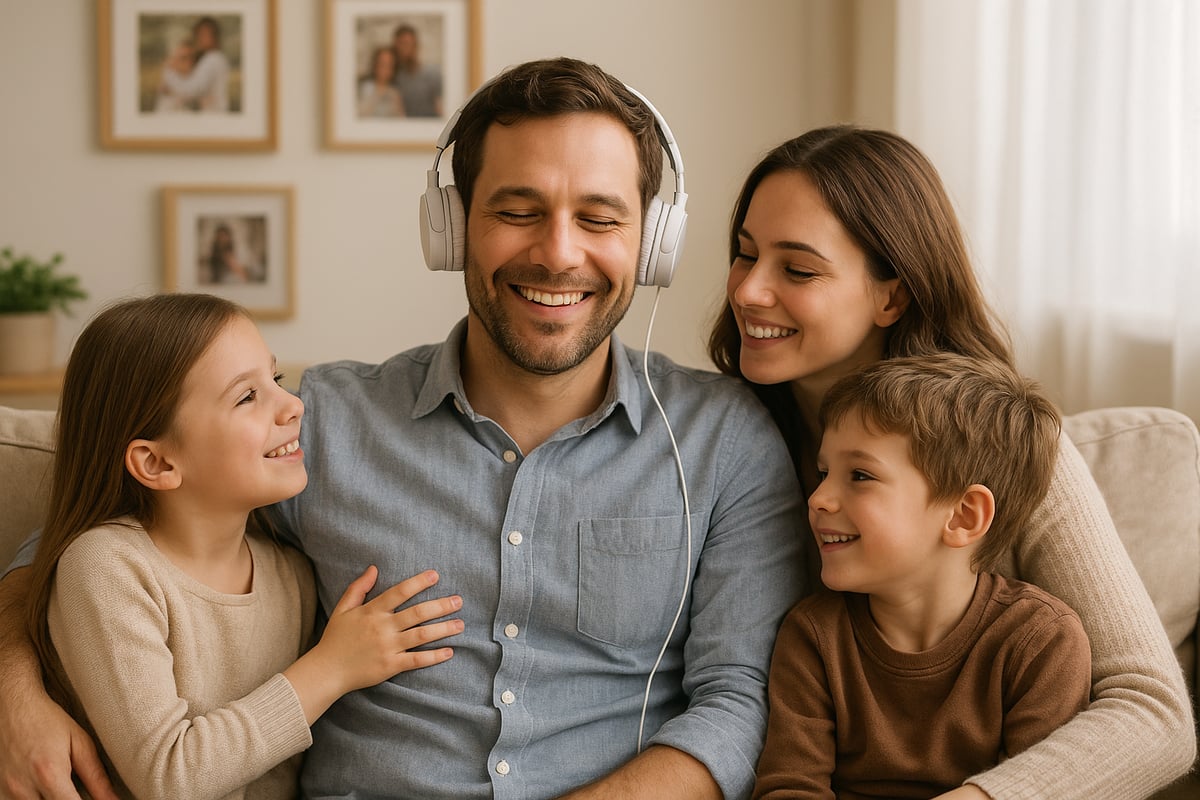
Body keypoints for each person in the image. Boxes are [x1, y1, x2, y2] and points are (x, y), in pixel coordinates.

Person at [0, 58, 806, 800]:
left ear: (651, 242)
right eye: (518, 211)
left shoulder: (722, 441)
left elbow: (735, 706)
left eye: (599, 219)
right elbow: (74, 548)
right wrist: (14, 693)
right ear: (451, 228)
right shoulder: (323, 425)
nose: (559, 253)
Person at [708, 125, 1196, 799]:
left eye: (798, 269)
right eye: (743, 255)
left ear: (892, 295)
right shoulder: (708, 445)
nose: (748, 292)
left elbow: (1154, 714)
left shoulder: (1010, 451)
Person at [19, 293, 463, 798]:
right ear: (157, 464)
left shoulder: (291, 575)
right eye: (246, 397)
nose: (293, 404)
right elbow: (169, 778)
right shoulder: (106, 568)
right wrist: (332, 668)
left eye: (273, 380)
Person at [752, 354, 1092, 798]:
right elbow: (790, 788)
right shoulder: (814, 636)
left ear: (964, 516)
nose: (818, 498)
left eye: (859, 475)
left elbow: (1044, 787)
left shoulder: (1041, 643)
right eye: (823, 473)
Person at [158, 16, 230, 112]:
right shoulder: (211, 59)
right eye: (198, 34)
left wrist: (169, 72)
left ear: (215, 36)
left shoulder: (213, 58)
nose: (200, 38)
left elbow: (191, 90)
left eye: (204, 34)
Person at [391, 22, 442, 117]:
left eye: (406, 44)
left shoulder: (433, 73)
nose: (403, 49)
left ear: (416, 45)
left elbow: (440, 107)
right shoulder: (393, 77)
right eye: (400, 44)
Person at [357, 45, 405, 117]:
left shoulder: (394, 93)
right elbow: (360, 114)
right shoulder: (364, 88)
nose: (385, 69)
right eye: (382, 64)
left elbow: (401, 119)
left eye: (389, 65)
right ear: (375, 64)